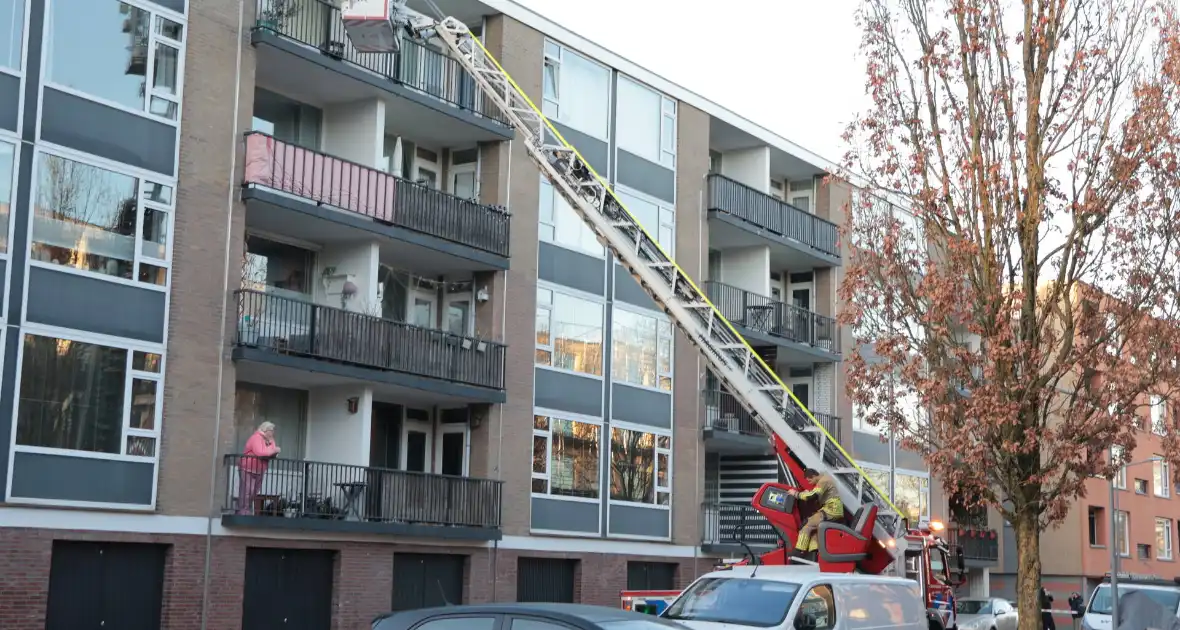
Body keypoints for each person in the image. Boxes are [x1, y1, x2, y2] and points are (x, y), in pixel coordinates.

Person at [786, 468, 844, 560]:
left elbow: (812, 496)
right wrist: (807, 493)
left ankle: (799, 551)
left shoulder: (823, 481)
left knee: (807, 524)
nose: (809, 483)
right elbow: (816, 495)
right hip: (832, 509)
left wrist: (796, 494)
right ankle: (813, 554)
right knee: (814, 530)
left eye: (810, 480)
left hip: (831, 510)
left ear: (813, 476)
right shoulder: (824, 479)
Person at [237, 421, 281, 515]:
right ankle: (243, 510)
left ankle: (247, 509)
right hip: (247, 468)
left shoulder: (271, 440)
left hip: (260, 469)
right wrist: (274, 450)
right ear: (265, 430)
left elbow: (272, 454)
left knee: (254, 492)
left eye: (273, 431)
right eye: (271, 430)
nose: (273, 433)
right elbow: (260, 452)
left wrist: (274, 451)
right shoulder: (256, 437)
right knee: (247, 490)